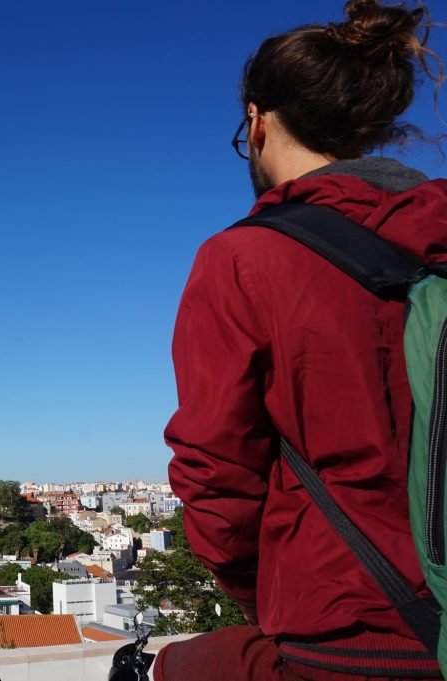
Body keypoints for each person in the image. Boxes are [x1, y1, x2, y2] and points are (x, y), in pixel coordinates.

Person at [160, 1, 447, 680]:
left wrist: (266, 596)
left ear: (257, 122)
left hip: (348, 636)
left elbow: (216, 475)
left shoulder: (244, 260)